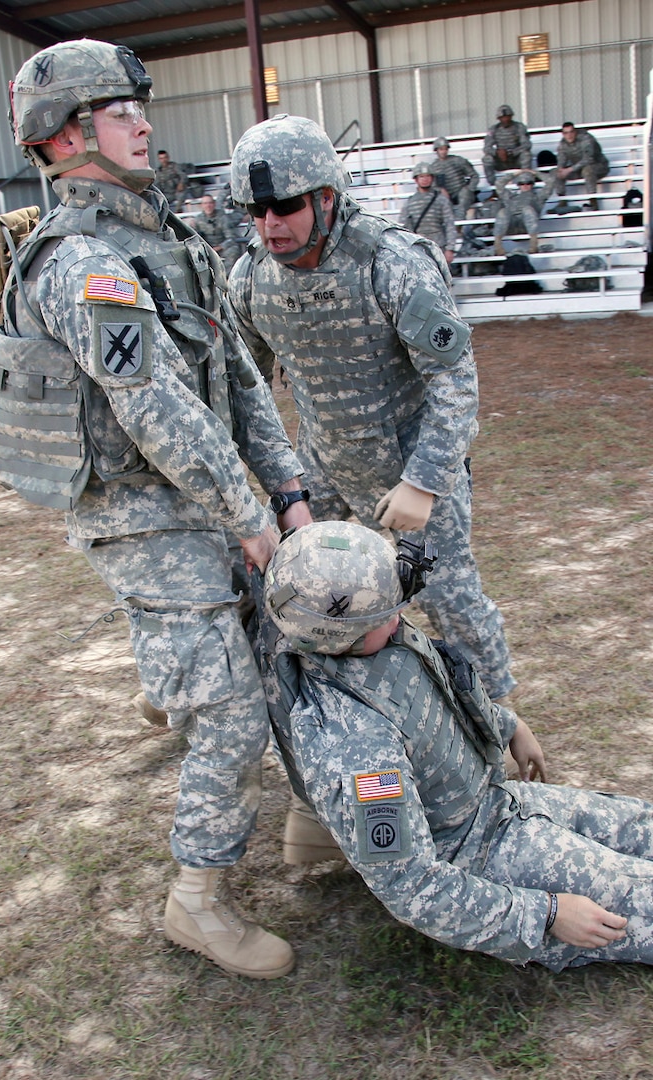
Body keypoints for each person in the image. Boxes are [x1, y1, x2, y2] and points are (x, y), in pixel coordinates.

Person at [0, 39, 318, 980]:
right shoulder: (78, 262)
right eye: (116, 110)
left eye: (137, 105)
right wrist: (251, 516)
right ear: (67, 136)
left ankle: (312, 825)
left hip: (205, 498)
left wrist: (286, 492)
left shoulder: (165, 235)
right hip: (142, 514)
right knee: (229, 710)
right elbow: (154, 404)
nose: (141, 120)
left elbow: (236, 373)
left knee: (279, 651)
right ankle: (197, 903)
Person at [261, 520, 653, 972]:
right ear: (335, 635)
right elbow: (410, 885)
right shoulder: (355, 748)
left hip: (500, 805)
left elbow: (436, 693)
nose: (397, 618)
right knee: (636, 895)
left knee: (641, 824)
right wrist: (545, 914)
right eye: (384, 614)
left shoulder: (368, 638)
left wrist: (508, 725)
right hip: (476, 857)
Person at [228, 114, 515, 706]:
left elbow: (455, 383)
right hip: (322, 465)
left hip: (409, 466)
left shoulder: (392, 263)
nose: (270, 224)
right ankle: (266, 699)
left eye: (285, 206)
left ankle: (498, 723)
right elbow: (245, 388)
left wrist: (425, 482)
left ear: (326, 197)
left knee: (448, 599)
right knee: (280, 584)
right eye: (256, 212)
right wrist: (282, 492)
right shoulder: (252, 278)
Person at [399, 162, 457, 263]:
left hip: (439, 246)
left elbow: (449, 224)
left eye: (428, 176)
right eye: (421, 176)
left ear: (432, 178)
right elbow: (402, 228)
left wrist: (450, 248)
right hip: (418, 247)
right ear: (416, 179)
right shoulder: (409, 202)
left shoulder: (441, 200)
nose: (425, 179)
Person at [492, 169, 554, 256]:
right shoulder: (511, 197)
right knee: (503, 211)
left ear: (532, 184)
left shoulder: (538, 197)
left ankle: (533, 244)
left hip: (526, 227)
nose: (525, 186)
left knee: (527, 209)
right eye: (521, 183)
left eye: (528, 183)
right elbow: (499, 184)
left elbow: (551, 181)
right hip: (511, 226)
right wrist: (515, 174)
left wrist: (535, 173)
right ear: (518, 185)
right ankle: (498, 245)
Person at [555, 122, 609, 211]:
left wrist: (569, 169)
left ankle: (593, 201)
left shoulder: (586, 138)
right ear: (563, 134)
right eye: (566, 133)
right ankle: (562, 201)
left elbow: (588, 159)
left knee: (587, 170)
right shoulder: (563, 144)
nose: (569, 135)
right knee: (555, 172)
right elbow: (561, 159)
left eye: (571, 132)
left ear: (575, 131)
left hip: (598, 166)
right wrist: (561, 169)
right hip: (578, 169)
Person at [428, 137, 479, 217]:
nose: (444, 152)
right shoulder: (433, 167)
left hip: (462, 191)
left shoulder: (458, 160)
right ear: (436, 150)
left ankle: (459, 222)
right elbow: (432, 186)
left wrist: (469, 189)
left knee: (464, 197)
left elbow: (474, 175)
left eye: (445, 149)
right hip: (446, 195)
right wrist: (441, 190)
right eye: (441, 149)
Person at [190, 193, 241, 273]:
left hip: (222, 247)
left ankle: (226, 277)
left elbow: (231, 238)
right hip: (206, 248)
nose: (208, 206)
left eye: (210, 203)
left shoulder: (223, 217)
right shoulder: (197, 220)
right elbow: (193, 239)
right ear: (202, 205)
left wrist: (219, 247)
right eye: (205, 203)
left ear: (214, 204)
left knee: (233, 251)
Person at [482, 105, 532, 186]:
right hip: (501, 162)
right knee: (487, 159)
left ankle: (525, 183)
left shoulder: (519, 127)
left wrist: (511, 152)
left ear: (511, 116)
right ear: (498, 118)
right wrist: (497, 152)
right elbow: (486, 148)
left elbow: (526, 145)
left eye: (507, 117)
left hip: (516, 160)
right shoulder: (493, 129)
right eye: (502, 117)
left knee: (526, 155)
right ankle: (494, 187)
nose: (505, 119)